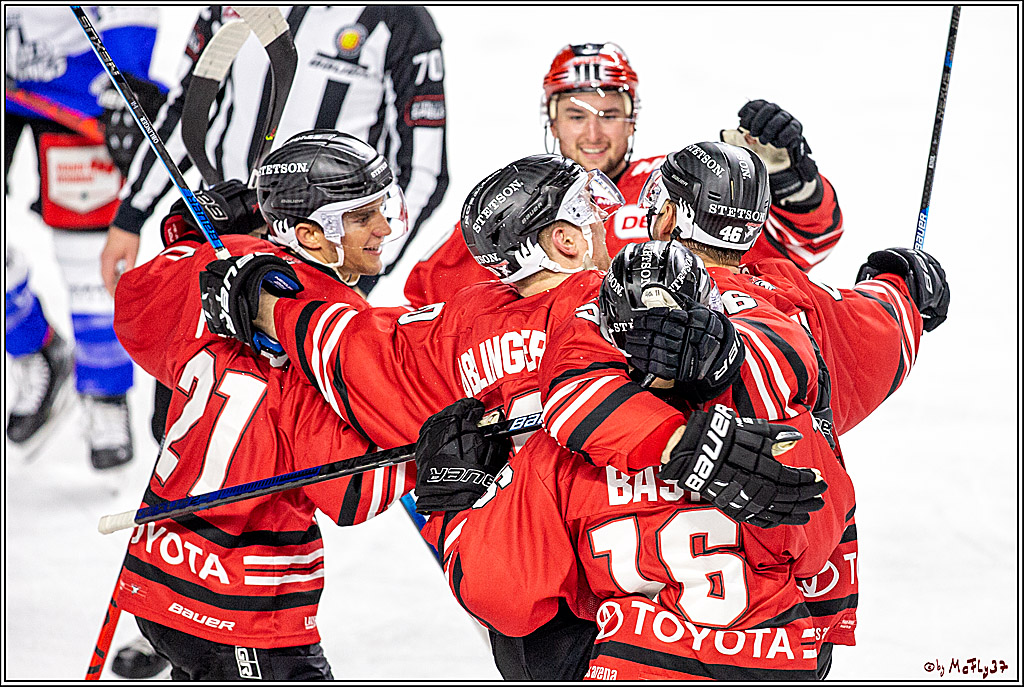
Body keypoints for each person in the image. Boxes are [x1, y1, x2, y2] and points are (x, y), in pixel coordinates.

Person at [200, 153, 828, 680]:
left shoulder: (458, 322)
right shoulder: (610, 301)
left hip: (528, 618)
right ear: (563, 238)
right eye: (591, 217)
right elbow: (787, 333)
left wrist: (261, 298)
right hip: (660, 606)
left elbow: (349, 347)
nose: (610, 228)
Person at [412, 237, 852, 680]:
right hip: (770, 664)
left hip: (630, 665)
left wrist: (455, 504)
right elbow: (820, 554)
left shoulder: (556, 454)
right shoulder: (774, 429)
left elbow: (505, 599)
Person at [631, 140, 948, 674]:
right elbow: (879, 333)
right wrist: (904, 285)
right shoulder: (793, 299)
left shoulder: (609, 304)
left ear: (669, 218)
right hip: (791, 632)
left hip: (646, 625)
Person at [108, 130, 415, 680]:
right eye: (364, 216)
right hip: (242, 604)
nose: (385, 229)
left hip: (157, 573)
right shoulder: (326, 326)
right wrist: (430, 446)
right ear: (309, 233)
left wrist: (190, 241)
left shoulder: (219, 268)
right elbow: (349, 490)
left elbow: (134, 308)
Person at [403, 42, 843, 307]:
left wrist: (790, 183)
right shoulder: (511, 204)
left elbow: (804, 244)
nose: (593, 133)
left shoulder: (679, 184)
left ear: (632, 120)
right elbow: (431, 320)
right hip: (564, 425)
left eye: (610, 114)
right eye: (575, 116)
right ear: (551, 121)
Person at [101, 5, 449, 299]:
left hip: (319, 263)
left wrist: (360, 275)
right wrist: (130, 215)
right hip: (221, 235)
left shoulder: (402, 21)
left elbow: (424, 173)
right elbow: (189, 109)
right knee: (189, 372)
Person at [5, 5, 165, 468]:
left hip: (79, 87)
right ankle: (34, 344)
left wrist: (127, 80)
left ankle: (105, 390)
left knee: (88, 253)